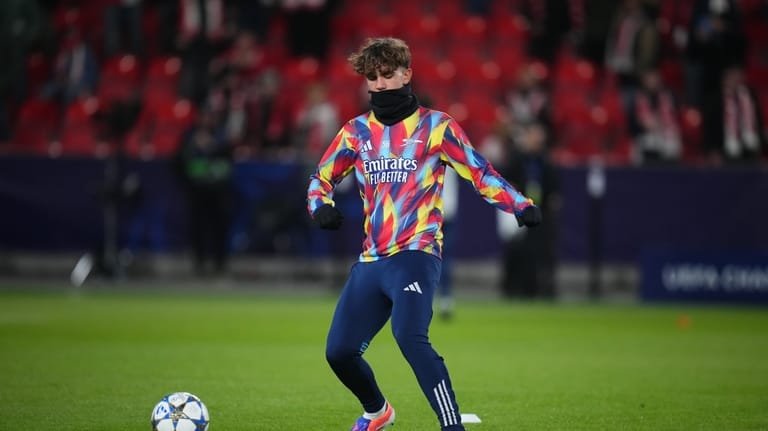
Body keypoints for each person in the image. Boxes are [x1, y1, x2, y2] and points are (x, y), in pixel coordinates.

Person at [306, 37, 542, 431]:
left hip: (417, 253)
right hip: (372, 260)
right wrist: (321, 207)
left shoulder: (437, 127)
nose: (380, 84)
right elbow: (321, 178)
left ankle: (452, 427)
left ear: (407, 73)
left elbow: (479, 172)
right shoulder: (355, 132)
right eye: (373, 78)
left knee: (410, 337)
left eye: (387, 75)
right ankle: (378, 412)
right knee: (339, 352)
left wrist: (519, 204)